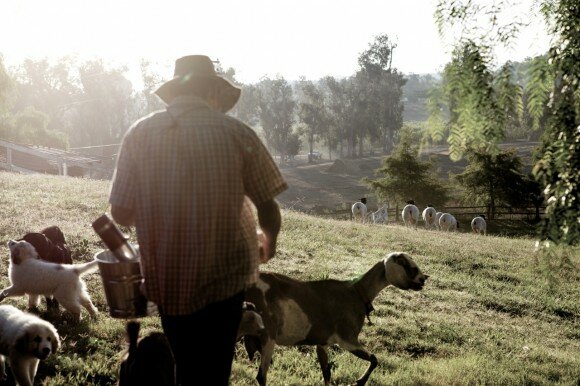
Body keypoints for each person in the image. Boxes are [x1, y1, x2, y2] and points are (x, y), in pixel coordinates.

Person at [108, 55, 287, 385]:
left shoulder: (139, 134)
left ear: (173, 94)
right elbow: (268, 205)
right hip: (226, 278)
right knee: (215, 365)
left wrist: (158, 210)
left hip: (169, 278)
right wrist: (269, 241)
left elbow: (120, 212)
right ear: (213, 93)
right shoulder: (237, 133)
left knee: (185, 359)